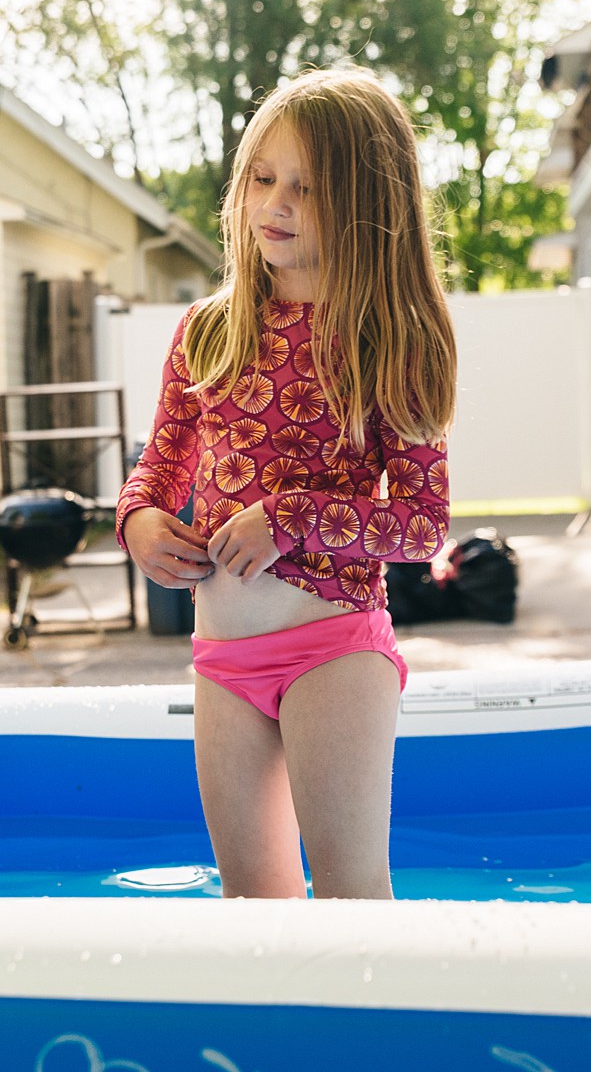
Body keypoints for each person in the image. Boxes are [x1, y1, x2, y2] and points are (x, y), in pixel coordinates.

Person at [117, 69, 456, 900]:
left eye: (308, 188)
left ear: (369, 204)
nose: (276, 203)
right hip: (221, 659)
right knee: (252, 899)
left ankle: (373, 1033)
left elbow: (422, 525)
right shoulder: (208, 329)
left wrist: (294, 519)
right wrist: (140, 523)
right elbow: (155, 470)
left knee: (350, 894)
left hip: (332, 651)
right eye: (264, 178)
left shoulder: (390, 340)